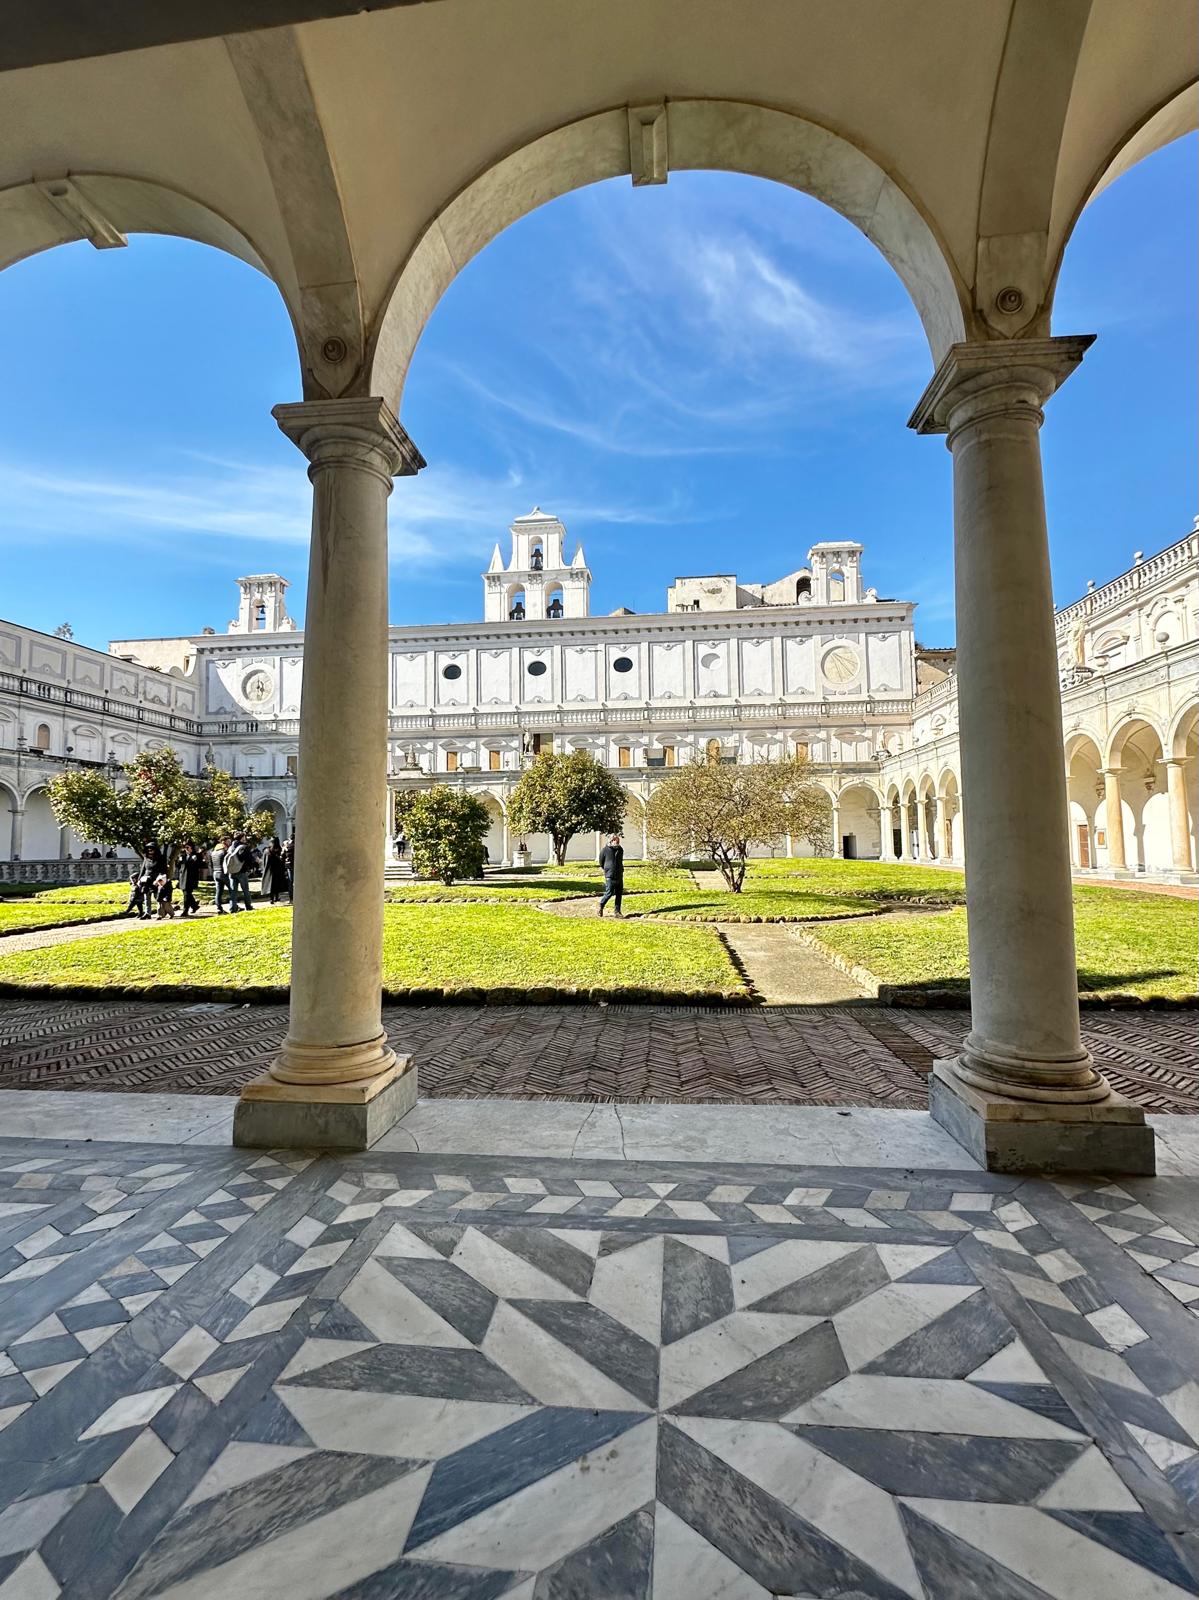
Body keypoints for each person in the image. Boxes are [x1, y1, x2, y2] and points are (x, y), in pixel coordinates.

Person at [228, 832, 257, 912]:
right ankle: (248, 906)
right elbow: (248, 859)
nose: (245, 838)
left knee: (233, 891)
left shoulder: (230, 847)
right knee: (245, 890)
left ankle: (232, 908)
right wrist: (251, 867)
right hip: (241, 871)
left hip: (232, 871)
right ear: (242, 838)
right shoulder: (243, 847)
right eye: (244, 837)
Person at [597, 833, 624, 917]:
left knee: (619, 894)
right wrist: (607, 869)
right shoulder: (605, 850)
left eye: (618, 840)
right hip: (610, 875)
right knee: (609, 893)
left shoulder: (620, 849)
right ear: (611, 840)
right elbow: (601, 862)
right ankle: (601, 905)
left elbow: (620, 861)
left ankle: (617, 912)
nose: (617, 841)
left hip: (619, 874)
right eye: (616, 840)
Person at [176, 841, 202, 917]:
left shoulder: (196, 855)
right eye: (185, 847)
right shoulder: (183, 856)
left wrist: (195, 860)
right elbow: (178, 866)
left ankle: (185, 911)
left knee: (186, 894)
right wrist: (179, 860)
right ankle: (194, 905)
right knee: (186, 894)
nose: (186, 849)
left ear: (191, 848)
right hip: (183, 877)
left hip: (191, 878)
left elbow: (200, 865)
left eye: (187, 847)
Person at [211, 835, 233, 914]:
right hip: (223, 873)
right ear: (224, 842)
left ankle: (219, 908)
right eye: (228, 841)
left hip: (215, 873)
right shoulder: (224, 852)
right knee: (232, 890)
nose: (230, 843)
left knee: (218, 892)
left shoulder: (214, 852)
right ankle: (233, 906)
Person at [261, 837, 287, 904]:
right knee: (277, 884)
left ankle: (271, 899)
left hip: (270, 870)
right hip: (278, 870)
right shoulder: (280, 850)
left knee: (271, 885)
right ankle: (276, 897)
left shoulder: (268, 850)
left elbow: (265, 861)